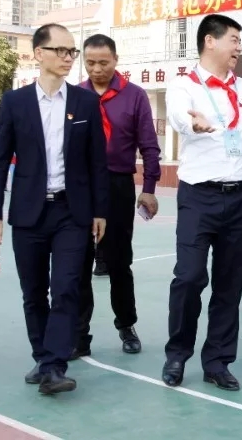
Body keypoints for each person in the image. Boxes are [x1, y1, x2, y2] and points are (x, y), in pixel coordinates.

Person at [0, 23, 109, 396]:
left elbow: (97, 162)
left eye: (72, 52)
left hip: (72, 211)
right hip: (29, 213)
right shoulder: (15, 102)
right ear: (39, 54)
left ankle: (54, 365)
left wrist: (99, 210)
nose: (69, 58)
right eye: (61, 50)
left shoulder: (85, 102)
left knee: (67, 287)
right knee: (34, 292)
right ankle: (42, 358)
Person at [162, 14, 242, 392]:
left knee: (229, 285)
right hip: (199, 197)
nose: (238, 48)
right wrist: (192, 124)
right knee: (188, 277)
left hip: (240, 197)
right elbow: (177, 116)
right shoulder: (184, 86)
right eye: (233, 39)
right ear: (210, 41)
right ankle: (177, 354)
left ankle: (217, 361)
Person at [74, 34, 161, 358]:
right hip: (80, 186)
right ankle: (79, 334)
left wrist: (149, 188)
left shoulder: (134, 96)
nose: (97, 69)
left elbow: (149, 145)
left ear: (116, 60)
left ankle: (126, 324)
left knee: (119, 261)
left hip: (118, 185)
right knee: (79, 261)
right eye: (90, 63)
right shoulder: (75, 95)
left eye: (103, 63)